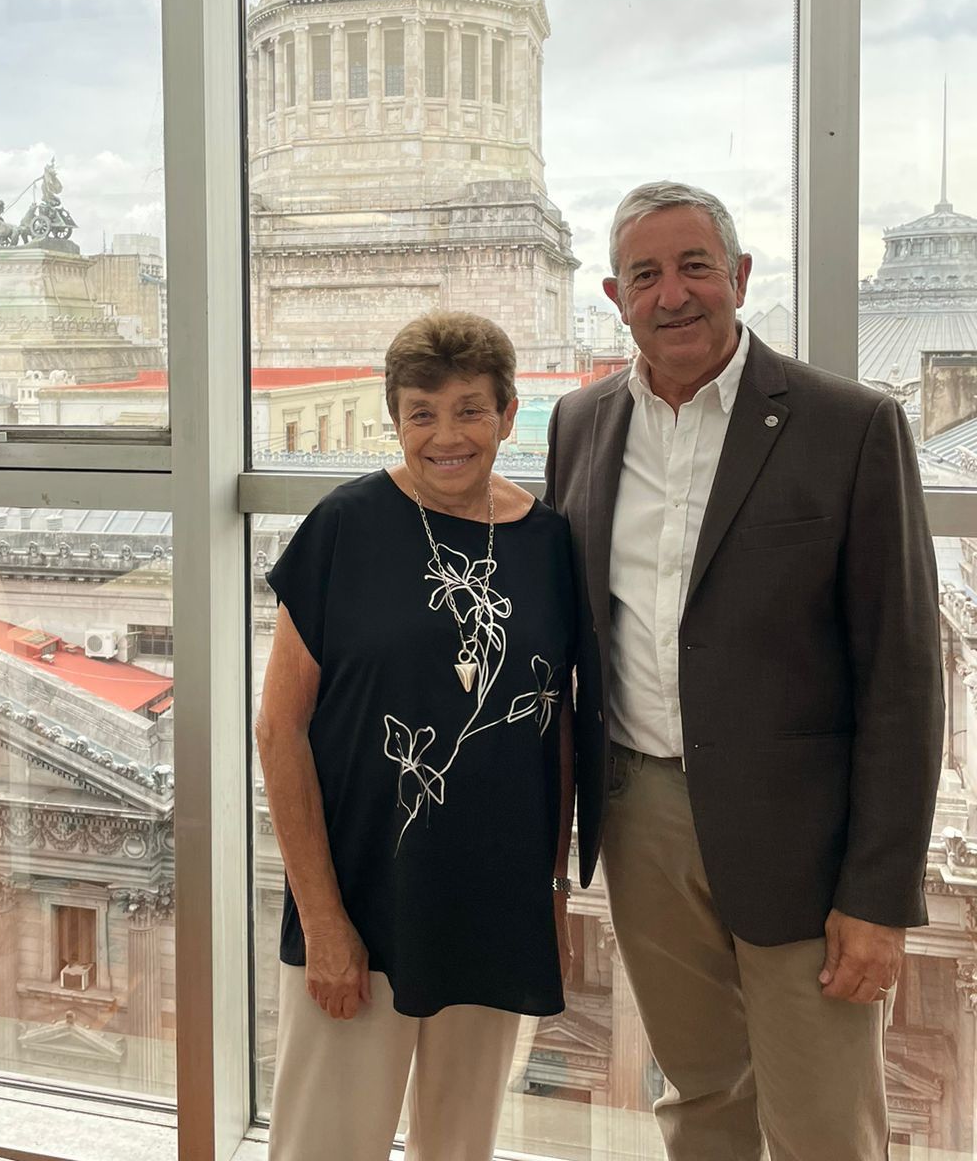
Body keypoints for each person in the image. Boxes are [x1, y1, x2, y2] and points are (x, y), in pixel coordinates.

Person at [546, 180, 944, 1161]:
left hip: (804, 839)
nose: (673, 294)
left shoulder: (848, 425)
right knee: (698, 1096)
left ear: (740, 277)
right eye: (647, 274)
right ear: (614, 295)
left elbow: (902, 675)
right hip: (640, 819)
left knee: (823, 1120)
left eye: (695, 267)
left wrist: (879, 894)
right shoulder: (581, 425)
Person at [256, 311, 582, 1161]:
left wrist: (549, 892)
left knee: (461, 1147)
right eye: (422, 413)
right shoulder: (343, 527)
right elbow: (279, 729)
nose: (447, 436)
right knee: (324, 1147)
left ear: (509, 415)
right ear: (393, 419)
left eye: (471, 410)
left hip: (492, 906)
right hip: (358, 902)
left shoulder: (551, 546)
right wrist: (324, 920)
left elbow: (557, 732)